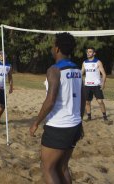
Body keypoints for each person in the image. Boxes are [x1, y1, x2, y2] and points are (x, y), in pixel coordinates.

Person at [29, 32, 85, 184]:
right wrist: (79, 122)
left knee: (47, 167)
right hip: (74, 125)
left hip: (59, 127)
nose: (52, 47)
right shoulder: (77, 71)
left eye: (53, 45)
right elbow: (82, 99)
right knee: (62, 167)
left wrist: (36, 122)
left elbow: (50, 100)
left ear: (58, 48)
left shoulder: (54, 70)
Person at [81, 47, 108, 121]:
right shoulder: (84, 62)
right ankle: (89, 117)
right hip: (87, 86)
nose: (88, 53)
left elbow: (104, 74)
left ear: (94, 53)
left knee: (100, 101)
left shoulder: (98, 62)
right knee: (87, 102)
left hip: (96, 85)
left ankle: (105, 117)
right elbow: (80, 74)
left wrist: (103, 84)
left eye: (90, 52)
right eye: (87, 52)